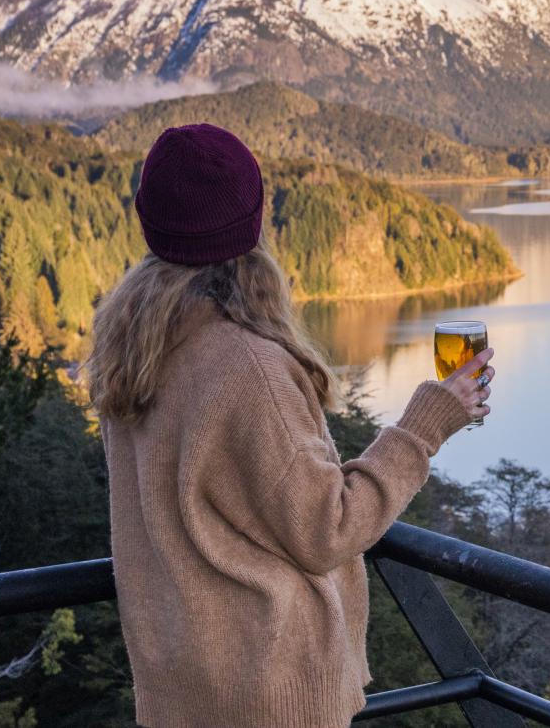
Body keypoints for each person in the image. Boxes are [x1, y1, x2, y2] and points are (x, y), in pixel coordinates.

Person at [85, 123, 494, 728]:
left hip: (183, 684)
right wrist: (425, 424)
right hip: (267, 691)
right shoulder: (248, 364)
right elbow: (327, 528)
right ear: (251, 222)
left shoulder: (136, 347)